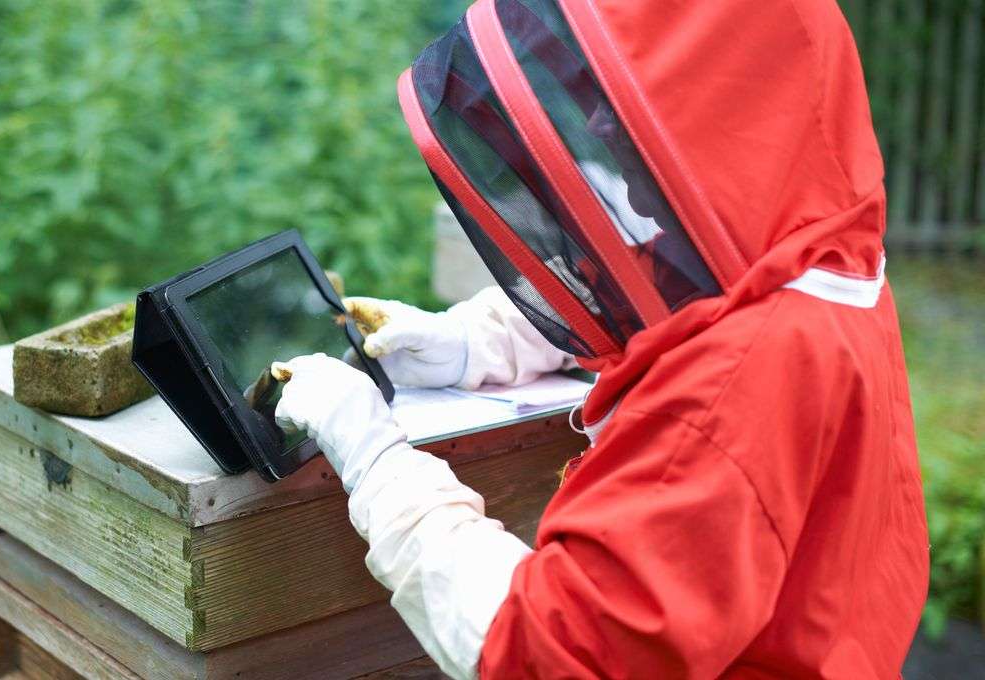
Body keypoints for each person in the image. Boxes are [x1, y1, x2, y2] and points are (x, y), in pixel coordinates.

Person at [272, 0, 929, 677]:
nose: (598, 123)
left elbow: (548, 650)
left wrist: (374, 457)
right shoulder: (822, 259)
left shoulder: (731, 390)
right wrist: (475, 343)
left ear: (728, 105)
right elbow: (668, 296)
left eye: (627, 100)